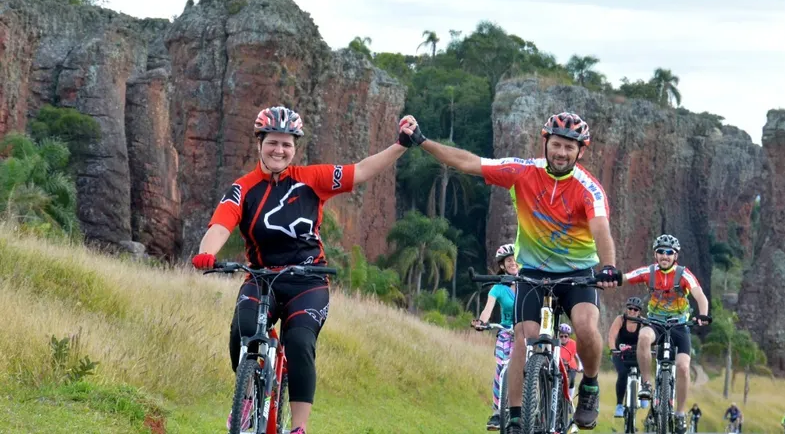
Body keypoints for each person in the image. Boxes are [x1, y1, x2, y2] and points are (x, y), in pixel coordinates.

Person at [191, 106, 410, 434]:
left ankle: (299, 427)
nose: (279, 150)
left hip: (307, 280)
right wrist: (206, 253)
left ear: (295, 148)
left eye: (287, 144)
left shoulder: (312, 179)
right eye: (272, 143)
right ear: (259, 144)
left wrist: (402, 144)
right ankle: (248, 395)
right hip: (262, 277)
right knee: (244, 327)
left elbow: (361, 171)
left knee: (299, 342)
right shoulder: (243, 188)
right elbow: (221, 223)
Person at [401, 111, 622, 432]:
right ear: (545, 142)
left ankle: (588, 386)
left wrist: (609, 267)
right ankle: (515, 417)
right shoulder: (522, 171)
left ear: (581, 152)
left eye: (569, 148)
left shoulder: (589, 188)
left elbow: (601, 229)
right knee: (524, 340)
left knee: (587, 329)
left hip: (578, 274)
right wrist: (421, 141)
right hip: (532, 271)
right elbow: (468, 162)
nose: (562, 153)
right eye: (557, 144)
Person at [624, 234, 711, 433]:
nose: (665, 255)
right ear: (655, 254)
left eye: (669, 252)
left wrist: (703, 315)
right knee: (644, 337)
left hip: (680, 326)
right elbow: (626, 277)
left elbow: (699, 295)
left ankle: (680, 414)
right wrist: (610, 277)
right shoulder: (649, 272)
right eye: (661, 252)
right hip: (655, 323)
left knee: (682, 367)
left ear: (675, 256)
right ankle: (646, 385)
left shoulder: (684, 274)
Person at [472, 243, 519, 431]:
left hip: (525, 333)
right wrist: (482, 322)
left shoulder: (529, 284)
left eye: (515, 259)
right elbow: (488, 309)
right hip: (506, 332)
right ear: (502, 266)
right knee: (501, 368)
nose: (512, 263)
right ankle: (497, 412)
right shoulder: (498, 289)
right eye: (508, 261)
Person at [608, 296, 644, 418]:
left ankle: (643, 391)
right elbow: (612, 336)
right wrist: (613, 349)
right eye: (630, 308)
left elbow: (647, 340)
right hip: (620, 353)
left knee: (644, 367)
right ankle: (619, 405)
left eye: (635, 309)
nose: (632, 311)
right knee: (622, 373)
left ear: (639, 312)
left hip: (636, 353)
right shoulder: (620, 320)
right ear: (626, 309)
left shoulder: (642, 322)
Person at [559, 323, 585, 398]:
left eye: (565, 336)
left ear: (568, 336)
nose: (563, 338)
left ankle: (569, 399)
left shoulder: (573, 344)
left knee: (571, 380)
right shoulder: (555, 343)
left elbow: (577, 356)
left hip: (570, 366)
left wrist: (580, 367)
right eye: (561, 336)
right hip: (558, 365)